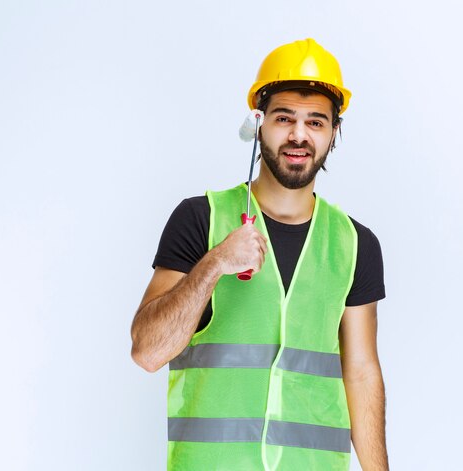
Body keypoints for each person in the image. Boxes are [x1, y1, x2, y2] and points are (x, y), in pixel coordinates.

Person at [131, 38, 389, 470]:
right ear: (258, 123)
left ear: (334, 132)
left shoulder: (354, 243)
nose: (298, 135)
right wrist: (214, 264)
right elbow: (148, 353)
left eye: (316, 122)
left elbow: (361, 372)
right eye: (284, 118)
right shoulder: (201, 219)